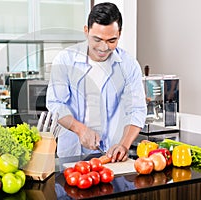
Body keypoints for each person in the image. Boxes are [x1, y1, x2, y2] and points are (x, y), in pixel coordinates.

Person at [46, 2, 147, 162]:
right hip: (72, 155)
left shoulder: (129, 65)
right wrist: (80, 130)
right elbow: (56, 104)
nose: (103, 47)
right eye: (97, 39)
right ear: (86, 31)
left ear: (119, 33)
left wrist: (124, 145)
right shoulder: (65, 59)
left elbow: (136, 110)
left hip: (111, 156)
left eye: (111, 40)